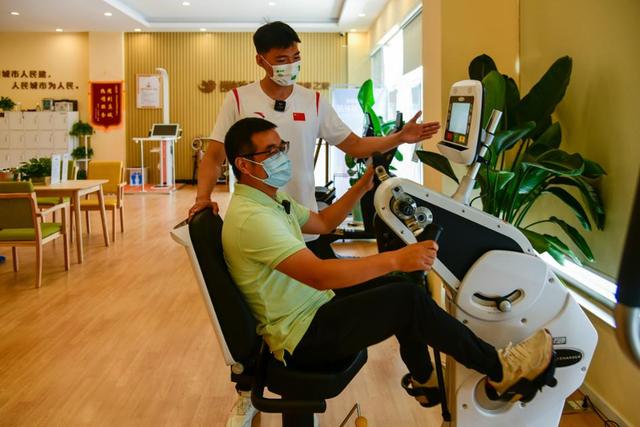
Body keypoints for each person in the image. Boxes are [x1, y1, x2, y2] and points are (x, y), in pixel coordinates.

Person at [220, 117, 556, 425]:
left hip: (309, 309)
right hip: (302, 337)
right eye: (271, 151)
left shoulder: (270, 199)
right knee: (405, 298)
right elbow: (319, 275)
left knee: (398, 285)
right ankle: (502, 371)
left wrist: (363, 186)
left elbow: (323, 222)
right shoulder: (253, 218)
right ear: (244, 164)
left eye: (282, 147)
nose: (281, 156)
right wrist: (398, 258)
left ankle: (425, 379)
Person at [188, 20, 441, 259]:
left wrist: (400, 138)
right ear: (260, 60)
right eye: (281, 60)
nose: (290, 65)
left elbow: (355, 146)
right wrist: (202, 199)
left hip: (305, 220)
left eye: (295, 57)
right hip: (259, 219)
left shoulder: (313, 101)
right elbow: (214, 157)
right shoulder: (239, 99)